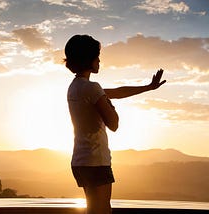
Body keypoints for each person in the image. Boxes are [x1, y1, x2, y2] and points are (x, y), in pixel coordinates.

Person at [65, 35, 166, 214]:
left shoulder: (76, 86)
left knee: (93, 210)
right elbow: (114, 124)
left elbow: (118, 92)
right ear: (88, 59)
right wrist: (110, 106)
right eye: (97, 56)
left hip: (80, 161)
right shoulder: (91, 87)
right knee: (102, 211)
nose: (99, 60)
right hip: (96, 160)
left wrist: (148, 87)